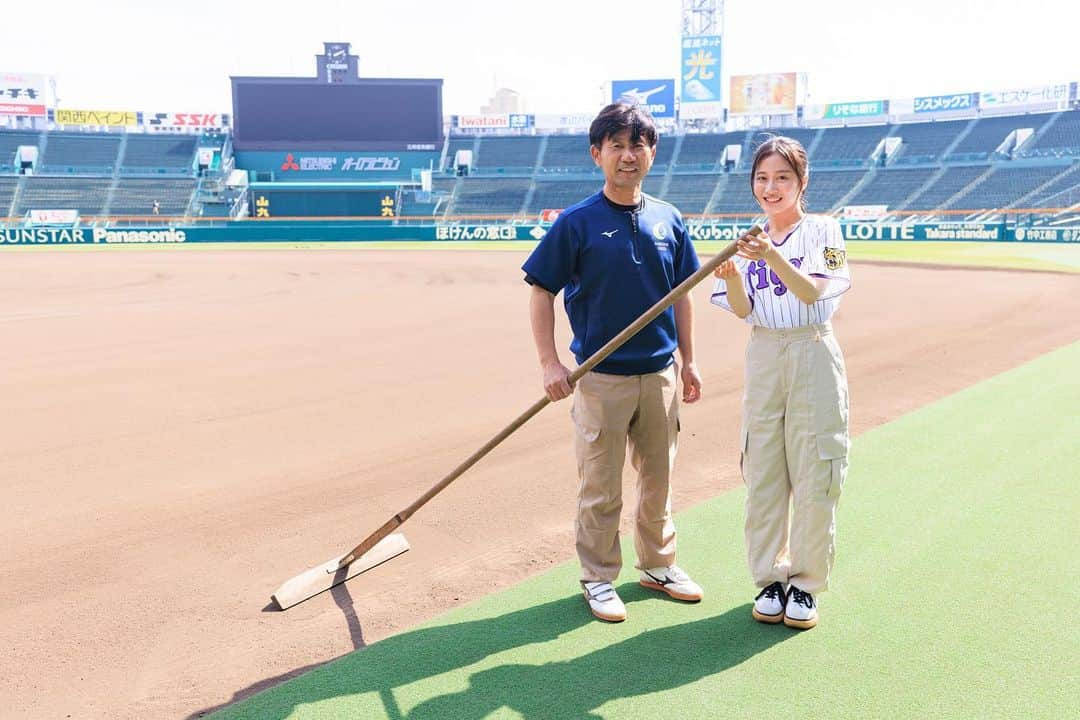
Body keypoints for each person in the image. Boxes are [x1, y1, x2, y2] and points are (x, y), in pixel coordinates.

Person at [522, 102, 704, 623]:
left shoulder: (669, 218)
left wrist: (689, 361)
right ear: (597, 153)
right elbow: (541, 292)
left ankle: (659, 565)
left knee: (659, 479)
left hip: (660, 374)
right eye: (617, 145)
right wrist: (549, 364)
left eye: (638, 145)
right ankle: (598, 577)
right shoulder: (576, 223)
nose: (628, 155)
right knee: (601, 486)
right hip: (600, 377)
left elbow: (684, 295)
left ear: (652, 153)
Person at [710, 135, 851, 630]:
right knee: (764, 464)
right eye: (762, 178)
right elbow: (745, 310)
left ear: (801, 182)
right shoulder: (746, 240)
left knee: (816, 465)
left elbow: (818, 295)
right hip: (765, 349)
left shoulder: (825, 231)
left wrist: (770, 256)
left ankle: (806, 585)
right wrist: (731, 275)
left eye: (782, 178)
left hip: (812, 346)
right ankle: (769, 577)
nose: (771, 188)